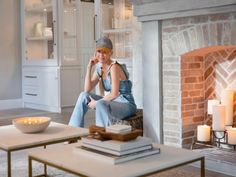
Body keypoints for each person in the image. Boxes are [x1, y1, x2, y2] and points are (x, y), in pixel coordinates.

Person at [69, 36, 137, 127]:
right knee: (83, 96)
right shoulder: (99, 68)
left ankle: (101, 134)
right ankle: (73, 132)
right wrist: (89, 67)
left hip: (126, 104)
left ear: (111, 53)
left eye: (105, 52)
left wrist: (96, 103)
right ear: (95, 52)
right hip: (114, 102)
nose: (101, 55)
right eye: (99, 51)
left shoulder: (114, 67)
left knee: (101, 104)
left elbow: (114, 94)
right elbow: (87, 89)